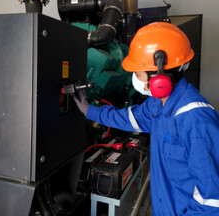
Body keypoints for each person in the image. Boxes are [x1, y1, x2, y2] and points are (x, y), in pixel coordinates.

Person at [74, 22, 219, 215]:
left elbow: (212, 201)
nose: (135, 79)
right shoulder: (158, 104)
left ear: (159, 75)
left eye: (137, 73)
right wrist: (89, 111)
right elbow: (128, 118)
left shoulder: (196, 120)